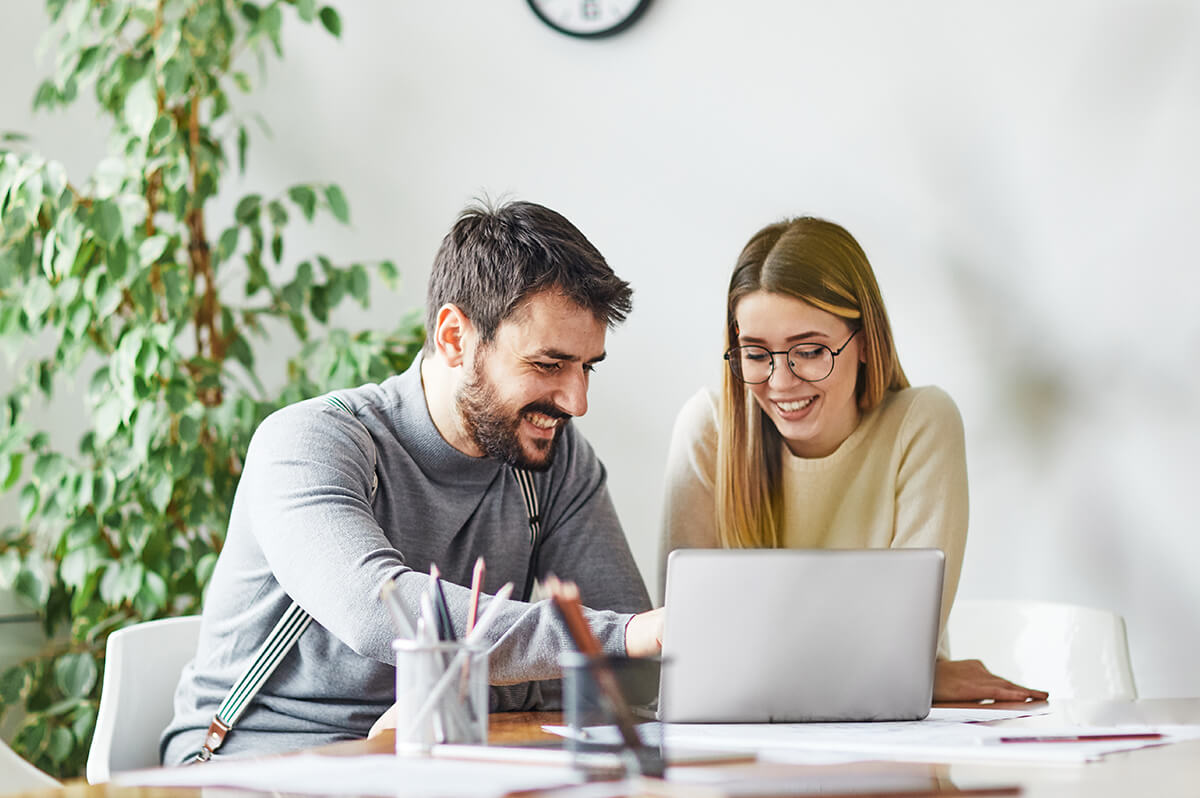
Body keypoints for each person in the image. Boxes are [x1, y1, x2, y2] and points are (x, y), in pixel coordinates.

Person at [161, 199, 664, 764]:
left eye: (586, 366)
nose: (577, 401)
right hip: (260, 760)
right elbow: (376, 610)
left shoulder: (553, 461)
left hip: (443, 760)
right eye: (548, 365)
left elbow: (632, 676)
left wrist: (604, 652)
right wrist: (608, 642)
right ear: (455, 337)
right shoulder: (310, 442)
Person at [659, 216, 1047, 703]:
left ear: (863, 343)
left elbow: (903, 646)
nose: (780, 382)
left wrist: (904, 668)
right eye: (756, 354)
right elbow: (688, 652)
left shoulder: (923, 423)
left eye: (811, 350)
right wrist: (909, 673)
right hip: (745, 743)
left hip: (889, 740)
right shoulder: (708, 429)